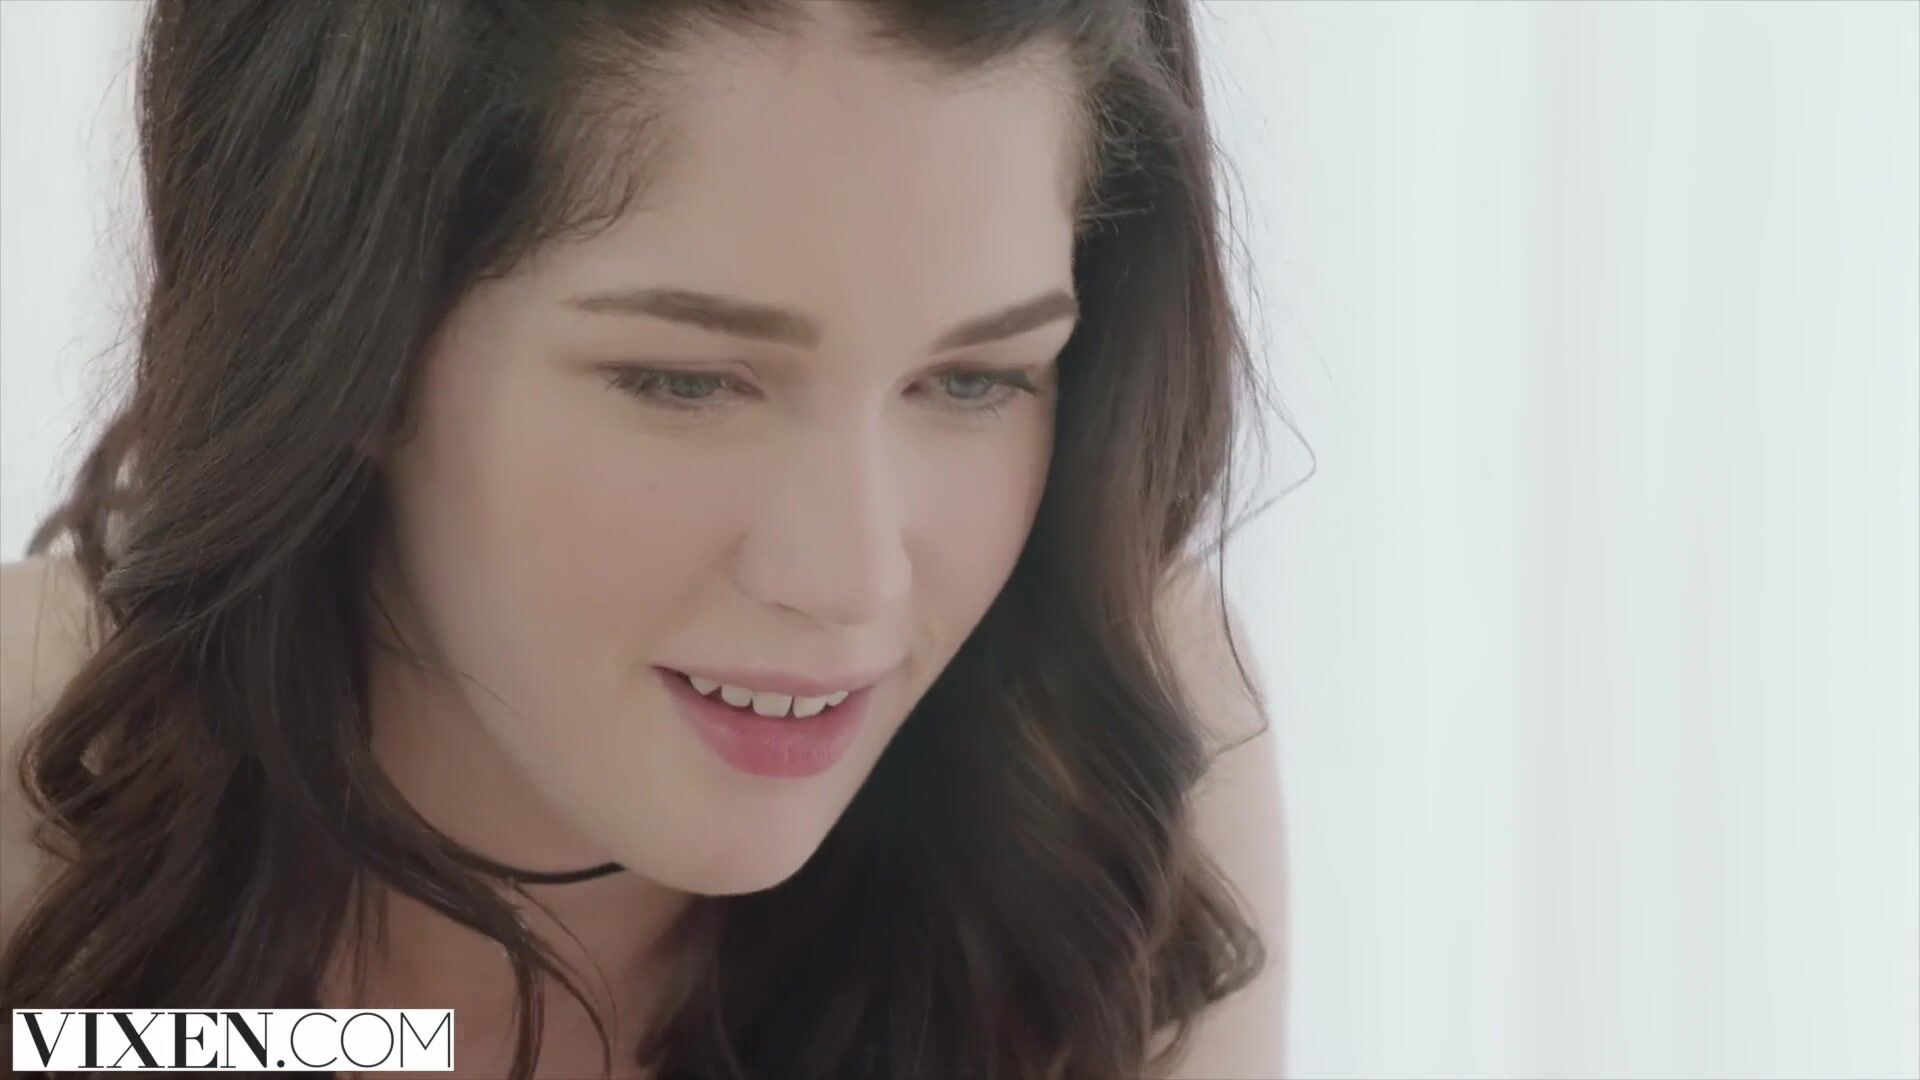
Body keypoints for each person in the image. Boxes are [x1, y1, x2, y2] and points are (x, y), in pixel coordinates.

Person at [0, 1, 1288, 1077]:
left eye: (974, 381)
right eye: (686, 382)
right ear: (344, 347)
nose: (851, 582)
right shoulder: (44, 824)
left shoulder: (1097, 764)